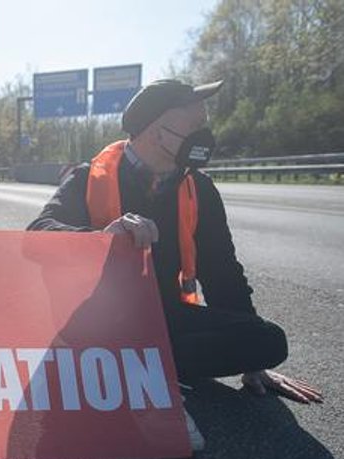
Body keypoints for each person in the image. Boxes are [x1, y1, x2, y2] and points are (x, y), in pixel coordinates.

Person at [26, 79, 322, 440]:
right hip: (97, 322)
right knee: (115, 344)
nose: (205, 135)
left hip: (164, 319)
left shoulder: (200, 188)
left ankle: (131, 372)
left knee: (269, 342)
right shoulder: (87, 178)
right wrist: (101, 239)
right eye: (195, 126)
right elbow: (36, 237)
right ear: (156, 130)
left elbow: (222, 270)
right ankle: (127, 371)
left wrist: (251, 363)